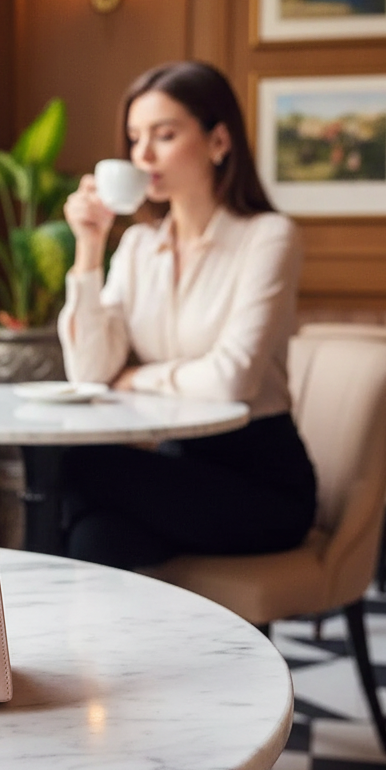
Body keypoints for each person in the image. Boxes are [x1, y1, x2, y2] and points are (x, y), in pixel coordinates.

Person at [58, 61, 317, 569]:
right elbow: (89, 373)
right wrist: (89, 249)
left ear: (219, 142)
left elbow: (232, 381)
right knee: (96, 539)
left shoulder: (268, 236)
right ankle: (75, 649)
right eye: (134, 139)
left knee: (81, 467)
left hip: (260, 481)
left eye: (164, 135)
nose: (143, 154)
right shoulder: (136, 245)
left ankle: (13, 635)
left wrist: (136, 379)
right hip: (177, 474)